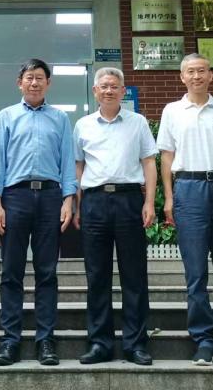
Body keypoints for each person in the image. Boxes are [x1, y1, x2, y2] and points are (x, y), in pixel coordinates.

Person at [157, 53, 213, 366]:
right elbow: (167, 157)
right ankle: (203, 340)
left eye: (201, 71)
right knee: (195, 273)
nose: (196, 76)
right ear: (182, 77)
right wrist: (169, 198)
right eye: (190, 72)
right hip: (188, 189)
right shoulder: (172, 110)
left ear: (211, 75)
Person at [0, 58, 77, 367]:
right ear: (19, 83)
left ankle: (45, 340)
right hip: (15, 197)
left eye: (40, 78)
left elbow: (67, 161)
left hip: (50, 197)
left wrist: (68, 200)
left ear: (48, 83)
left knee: (47, 272)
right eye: (29, 77)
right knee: (11, 271)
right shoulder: (6, 117)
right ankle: (10, 340)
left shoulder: (60, 118)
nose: (34, 82)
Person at [74, 67, 157, 366]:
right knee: (97, 276)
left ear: (123, 91)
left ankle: (135, 344)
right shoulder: (83, 125)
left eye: (114, 86)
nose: (109, 90)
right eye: (104, 86)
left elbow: (149, 163)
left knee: (134, 275)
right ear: (95, 91)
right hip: (94, 202)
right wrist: (78, 205)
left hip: (129, 200)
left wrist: (149, 202)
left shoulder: (138, 122)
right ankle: (100, 343)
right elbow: (78, 167)